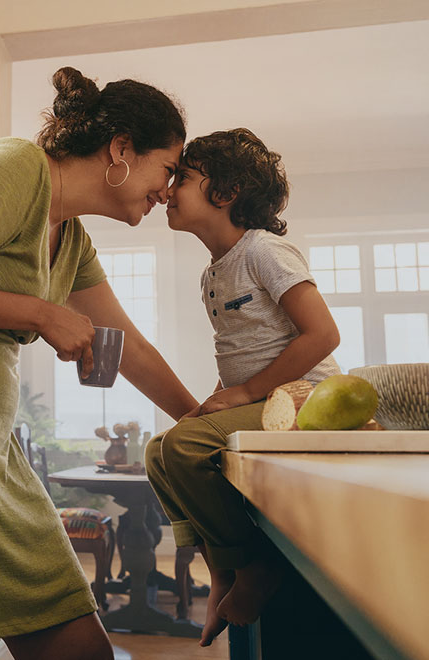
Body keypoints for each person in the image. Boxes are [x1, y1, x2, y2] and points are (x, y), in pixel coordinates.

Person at [0, 67, 199, 660]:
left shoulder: (72, 239)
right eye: (167, 169)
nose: (168, 190)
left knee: (60, 620)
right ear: (121, 148)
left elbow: (129, 345)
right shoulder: (14, 167)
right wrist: (42, 314)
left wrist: (198, 419)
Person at [145, 128, 341, 647]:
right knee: (158, 450)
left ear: (226, 193)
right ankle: (222, 568)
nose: (167, 190)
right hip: (261, 396)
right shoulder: (213, 273)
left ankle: (254, 566)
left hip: (304, 400)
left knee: (186, 445)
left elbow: (322, 334)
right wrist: (222, 396)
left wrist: (246, 392)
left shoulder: (265, 251)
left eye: (182, 178)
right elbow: (241, 350)